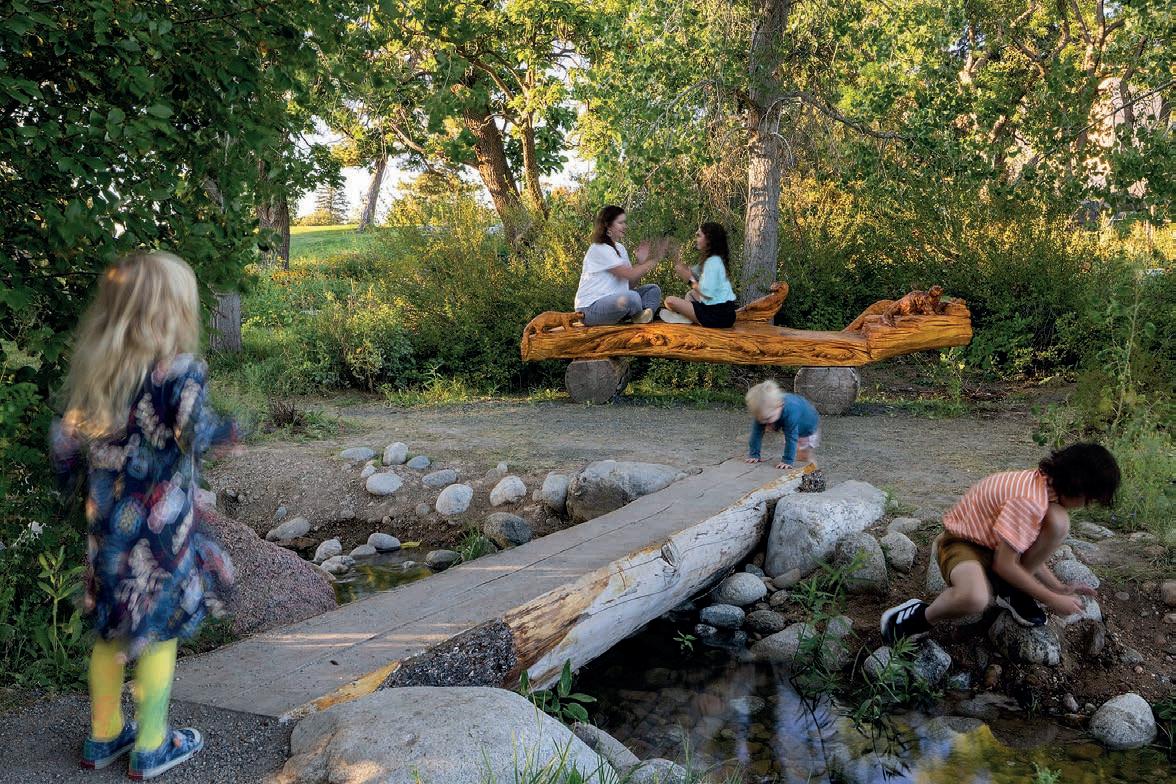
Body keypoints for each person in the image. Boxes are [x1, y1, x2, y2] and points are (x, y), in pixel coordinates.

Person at [50, 251, 236, 779]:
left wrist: (72, 483)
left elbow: (64, 448)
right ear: (173, 312)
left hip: (106, 535)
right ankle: (152, 745)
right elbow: (194, 433)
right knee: (158, 632)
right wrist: (230, 431)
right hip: (160, 538)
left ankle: (103, 735)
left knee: (110, 631)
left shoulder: (100, 373)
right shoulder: (180, 371)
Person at [880, 443, 1120, 644]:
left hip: (994, 545)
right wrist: (1051, 598)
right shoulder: (1030, 501)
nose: (1086, 506)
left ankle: (1010, 591)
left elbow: (1021, 548)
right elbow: (1006, 564)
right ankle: (917, 617)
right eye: (1088, 499)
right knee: (975, 598)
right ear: (1076, 486)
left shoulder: (1046, 487)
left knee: (1059, 522)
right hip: (962, 543)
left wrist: (1059, 588)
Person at [575, 205, 669, 326]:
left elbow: (630, 284)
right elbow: (629, 275)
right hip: (589, 309)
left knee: (653, 289)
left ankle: (644, 314)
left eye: (625, 222)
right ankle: (638, 313)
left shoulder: (620, 248)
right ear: (608, 225)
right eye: (620, 223)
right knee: (632, 297)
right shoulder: (599, 248)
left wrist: (641, 263)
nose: (625, 226)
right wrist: (654, 260)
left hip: (615, 302)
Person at [660, 222, 738, 328]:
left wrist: (690, 280)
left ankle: (687, 318)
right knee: (691, 294)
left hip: (717, 318)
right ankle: (686, 317)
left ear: (708, 239)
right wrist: (676, 258)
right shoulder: (715, 259)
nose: (696, 238)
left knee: (669, 301)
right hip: (726, 315)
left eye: (699, 235)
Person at [744, 380, 820, 469]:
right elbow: (756, 433)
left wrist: (787, 460)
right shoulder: (764, 412)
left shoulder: (790, 412)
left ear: (780, 406)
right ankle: (775, 424)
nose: (764, 422)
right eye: (761, 419)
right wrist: (754, 454)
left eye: (768, 419)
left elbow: (791, 438)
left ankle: (813, 470)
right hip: (787, 420)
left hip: (807, 426)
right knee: (761, 426)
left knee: (803, 454)